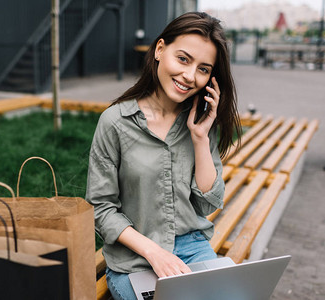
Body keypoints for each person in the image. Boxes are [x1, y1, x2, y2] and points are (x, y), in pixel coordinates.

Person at [86, 12, 242, 300]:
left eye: (203, 69)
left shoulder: (200, 120)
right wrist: (155, 253)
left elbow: (207, 203)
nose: (190, 76)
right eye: (183, 59)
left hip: (193, 247)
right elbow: (100, 208)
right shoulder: (115, 123)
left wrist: (199, 137)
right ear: (159, 50)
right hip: (135, 257)